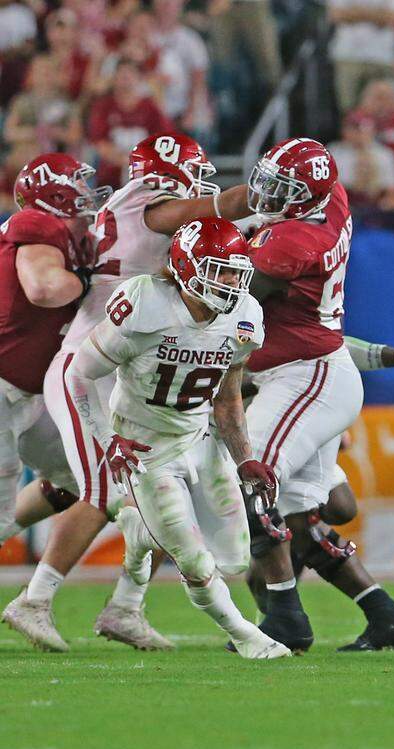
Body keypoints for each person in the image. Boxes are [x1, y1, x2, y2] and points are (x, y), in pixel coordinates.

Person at [4, 133, 251, 653]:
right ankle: (35, 599)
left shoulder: (131, 212)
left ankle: (125, 607)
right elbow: (221, 207)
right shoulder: (150, 204)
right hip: (90, 367)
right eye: (194, 169)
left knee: (158, 488)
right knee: (106, 491)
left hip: (128, 370)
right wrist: (271, 195)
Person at [61, 217, 288, 659]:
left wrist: (245, 459)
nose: (229, 281)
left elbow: (227, 398)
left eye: (234, 270)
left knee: (235, 560)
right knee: (195, 562)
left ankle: (140, 532)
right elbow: (79, 376)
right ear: (186, 267)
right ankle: (248, 638)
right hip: (144, 448)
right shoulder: (145, 303)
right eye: (218, 269)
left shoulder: (244, 316)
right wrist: (108, 439)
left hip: (198, 439)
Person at [241, 137, 394, 653]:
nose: (269, 197)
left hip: (304, 377)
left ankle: (284, 618)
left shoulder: (293, 245)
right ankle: (387, 617)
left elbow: (227, 296)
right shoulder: (332, 200)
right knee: (299, 517)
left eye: (284, 191)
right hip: (313, 370)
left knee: (252, 480)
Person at [0, 155, 104, 556]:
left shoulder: (70, 239)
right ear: (53, 194)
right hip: (6, 387)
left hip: (33, 396)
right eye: (77, 184)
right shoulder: (39, 224)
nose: (87, 194)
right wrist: (86, 283)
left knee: (90, 480)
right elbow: (44, 289)